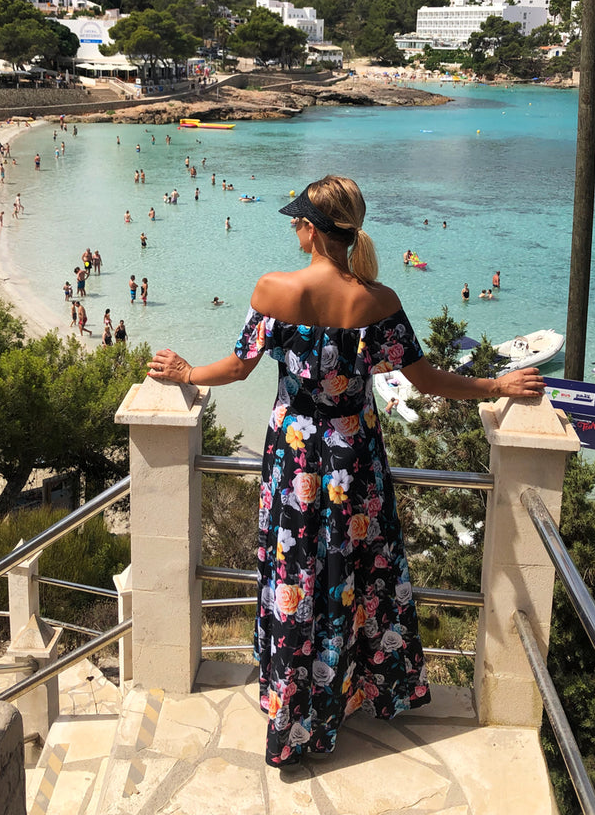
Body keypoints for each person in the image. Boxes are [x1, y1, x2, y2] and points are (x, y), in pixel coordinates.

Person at [147, 174, 544, 769]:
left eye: (297, 219)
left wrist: (185, 373)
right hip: (355, 457)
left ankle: (294, 705)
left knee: (296, 578)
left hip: (295, 457)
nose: (292, 227)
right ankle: (349, 692)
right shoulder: (378, 301)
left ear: (311, 230)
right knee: (352, 575)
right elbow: (429, 381)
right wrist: (496, 384)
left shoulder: (273, 289)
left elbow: (236, 370)